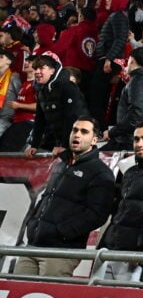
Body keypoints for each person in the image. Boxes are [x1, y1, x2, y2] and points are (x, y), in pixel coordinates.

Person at [15, 116, 116, 277]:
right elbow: (46, 197)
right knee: (17, 293)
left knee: (48, 297)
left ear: (94, 140)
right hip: (33, 244)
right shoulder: (62, 164)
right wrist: (33, 224)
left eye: (84, 131)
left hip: (61, 250)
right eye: (75, 130)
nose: (77, 134)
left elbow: (97, 215)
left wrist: (61, 232)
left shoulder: (101, 173)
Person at [98, 123, 143, 281]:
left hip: (134, 256)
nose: (139, 143)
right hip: (112, 248)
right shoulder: (130, 171)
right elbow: (120, 211)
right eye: (136, 139)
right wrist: (105, 244)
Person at [26, 54, 86, 157]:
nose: (37, 72)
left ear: (52, 70)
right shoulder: (42, 91)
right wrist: (34, 145)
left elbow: (72, 117)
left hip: (79, 140)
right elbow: (40, 120)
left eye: (41, 68)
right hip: (61, 141)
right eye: (35, 68)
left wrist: (65, 145)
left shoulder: (67, 87)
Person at [107, 47, 143, 150]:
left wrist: (112, 132)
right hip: (132, 138)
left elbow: (135, 115)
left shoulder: (138, 81)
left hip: (128, 141)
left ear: (132, 60)